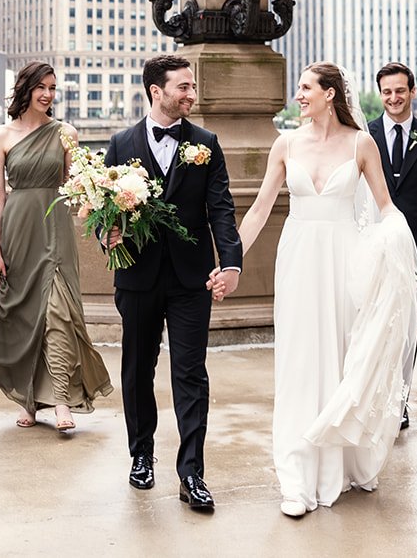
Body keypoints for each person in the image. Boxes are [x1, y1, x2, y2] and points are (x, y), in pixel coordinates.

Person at [232, 63, 417, 518]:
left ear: (330, 94)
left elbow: (385, 207)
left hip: (346, 259)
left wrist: (398, 250)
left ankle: (348, 459)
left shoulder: (361, 144)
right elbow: (258, 211)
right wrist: (230, 259)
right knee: (299, 360)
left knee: (341, 353)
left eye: (305, 87)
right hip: (298, 258)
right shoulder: (286, 143)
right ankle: (297, 477)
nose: (298, 95)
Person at [103, 54, 242, 513]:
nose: (191, 94)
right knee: (138, 369)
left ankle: (191, 473)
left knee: (190, 373)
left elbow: (221, 209)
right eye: (182, 87)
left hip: (191, 279)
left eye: (192, 86)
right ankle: (141, 455)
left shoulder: (206, 143)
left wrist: (232, 264)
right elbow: (104, 212)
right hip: (138, 277)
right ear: (155, 91)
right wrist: (109, 235)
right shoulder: (121, 144)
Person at [0, 62, 112, 431]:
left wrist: (108, 209)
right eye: (41, 87)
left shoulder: (66, 132)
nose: (48, 94)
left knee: (57, 314)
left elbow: (77, 189)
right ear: (25, 88)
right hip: (17, 231)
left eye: (53, 87)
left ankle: (62, 401)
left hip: (55, 231)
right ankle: (28, 401)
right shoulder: (1, 136)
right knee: (23, 316)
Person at [365, 60, 417, 430]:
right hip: (371, 248)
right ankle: (370, 398)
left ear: (412, 92)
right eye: (387, 92)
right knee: (370, 326)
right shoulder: (363, 137)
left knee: (405, 330)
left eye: (400, 91)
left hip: (415, 251)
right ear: (380, 94)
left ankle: (399, 403)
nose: (394, 98)